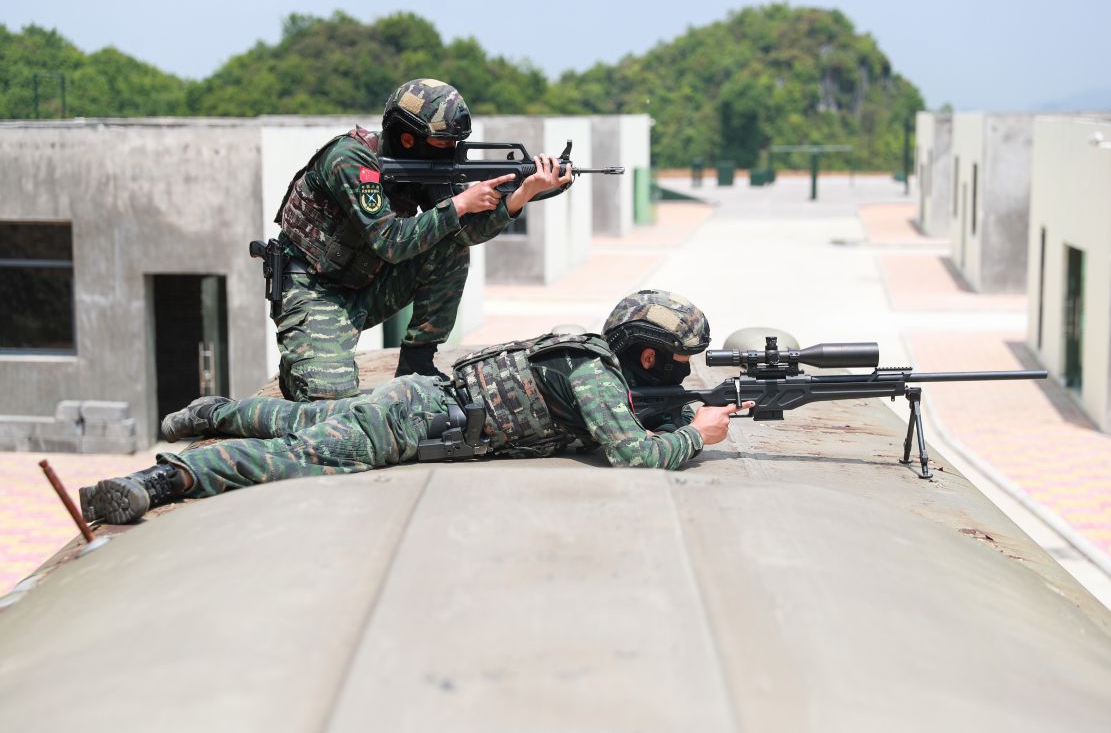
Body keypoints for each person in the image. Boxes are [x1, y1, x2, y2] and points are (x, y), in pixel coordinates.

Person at [79, 290, 755, 525]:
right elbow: (633, 455)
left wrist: (680, 414)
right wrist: (697, 433)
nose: (682, 370)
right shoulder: (595, 377)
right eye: (677, 359)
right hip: (416, 420)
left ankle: (213, 412)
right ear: (645, 358)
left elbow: (632, 421)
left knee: (306, 418)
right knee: (299, 457)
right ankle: (164, 480)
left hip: (424, 399)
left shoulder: (594, 361)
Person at [272, 77, 572, 400]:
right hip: (314, 288)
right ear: (407, 138)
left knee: (449, 247)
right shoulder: (350, 160)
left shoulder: (422, 163)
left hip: (366, 284)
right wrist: (458, 204)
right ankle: (300, 364)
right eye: (445, 143)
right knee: (327, 401)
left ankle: (417, 365)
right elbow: (390, 241)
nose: (453, 151)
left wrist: (523, 194)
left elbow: (463, 233)